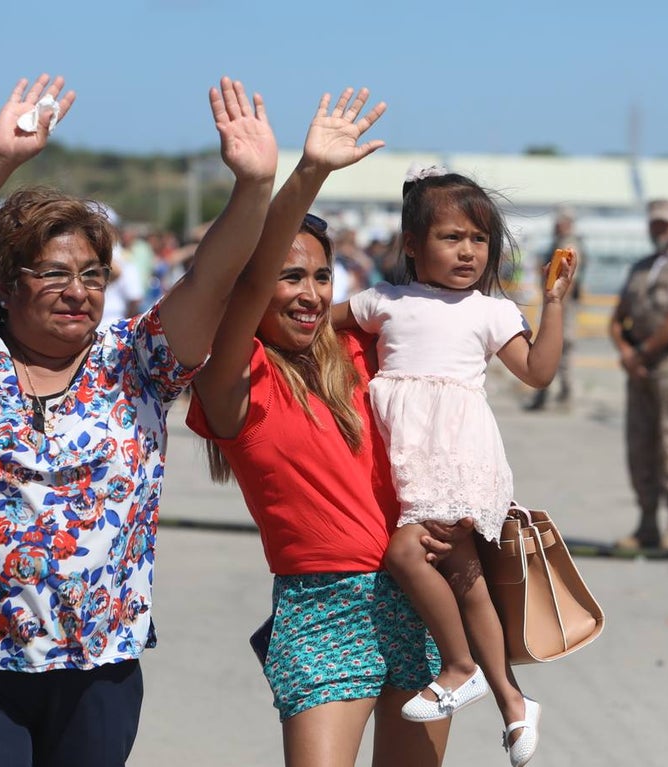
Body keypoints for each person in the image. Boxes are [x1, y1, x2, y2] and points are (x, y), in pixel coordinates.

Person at [0, 73, 277, 767]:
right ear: (8, 284)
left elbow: (212, 280)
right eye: (53, 273)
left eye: (94, 273)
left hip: (98, 673)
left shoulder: (138, 360)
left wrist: (252, 187)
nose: (78, 290)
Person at [188, 87, 463, 767]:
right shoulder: (233, 379)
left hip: (419, 588)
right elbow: (241, 290)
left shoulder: (364, 352)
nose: (309, 293)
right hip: (320, 609)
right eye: (289, 276)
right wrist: (305, 172)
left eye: (320, 275)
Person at [330, 167, 577, 767]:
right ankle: (514, 704)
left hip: (457, 459)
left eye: (479, 239)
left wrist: (551, 303)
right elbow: (307, 323)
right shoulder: (383, 302)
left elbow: (538, 372)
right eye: (451, 237)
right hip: (414, 460)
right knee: (466, 582)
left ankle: (460, 664)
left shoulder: (490, 311)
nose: (468, 251)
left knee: (407, 553)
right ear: (412, 245)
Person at [608, 198, 668, 551]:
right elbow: (617, 318)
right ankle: (647, 522)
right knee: (640, 447)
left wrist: (642, 353)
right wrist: (626, 353)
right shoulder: (640, 267)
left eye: (666, 224)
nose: (660, 230)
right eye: (655, 224)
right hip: (639, 369)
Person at [524, 205, 586, 411]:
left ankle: (559, 395)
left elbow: (568, 281)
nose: (556, 226)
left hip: (562, 306)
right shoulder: (560, 243)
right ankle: (554, 395)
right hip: (558, 304)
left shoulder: (568, 245)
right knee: (557, 349)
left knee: (559, 348)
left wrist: (556, 308)